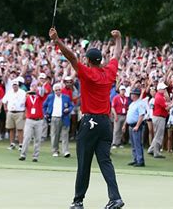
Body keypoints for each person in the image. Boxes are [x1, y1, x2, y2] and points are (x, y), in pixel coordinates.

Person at [50, 28, 124, 209]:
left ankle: (78, 201)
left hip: (90, 122)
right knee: (105, 161)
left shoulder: (88, 73)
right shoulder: (109, 72)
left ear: (89, 61)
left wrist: (57, 40)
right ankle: (115, 198)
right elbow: (117, 54)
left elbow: (72, 58)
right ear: (100, 61)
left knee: (84, 163)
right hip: (105, 123)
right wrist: (119, 38)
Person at [43, 83, 73, 158]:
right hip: (54, 117)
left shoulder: (66, 97)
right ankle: (55, 150)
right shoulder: (50, 97)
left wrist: (68, 109)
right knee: (55, 135)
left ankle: (65, 151)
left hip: (64, 117)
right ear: (54, 91)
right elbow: (44, 106)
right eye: (56, 90)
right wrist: (45, 113)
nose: (58, 91)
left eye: (59, 90)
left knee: (65, 135)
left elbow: (71, 105)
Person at [19, 82, 45, 162]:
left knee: (37, 139)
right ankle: (23, 154)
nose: (34, 88)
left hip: (39, 120)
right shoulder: (27, 97)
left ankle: (35, 156)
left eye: (35, 86)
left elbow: (42, 92)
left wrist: (40, 85)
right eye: (32, 86)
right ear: (30, 87)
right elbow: (21, 104)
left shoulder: (39, 97)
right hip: (29, 120)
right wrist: (25, 95)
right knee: (26, 138)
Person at [123, 88, 146, 167]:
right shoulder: (132, 104)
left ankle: (140, 160)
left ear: (136, 95)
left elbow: (141, 115)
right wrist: (124, 124)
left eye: (132, 94)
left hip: (136, 125)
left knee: (137, 143)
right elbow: (128, 115)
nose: (131, 95)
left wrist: (137, 126)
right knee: (133, 144)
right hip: (131, 125)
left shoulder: (140, 103)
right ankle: (135, 159)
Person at [2, 79, 26, 150]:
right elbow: (4, 101)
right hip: (10, 112)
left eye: (16, 85)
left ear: (18, 85)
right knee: (11, 129)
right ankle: (12, 144)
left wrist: (25, 112)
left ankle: (21, 145)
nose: (15, 86)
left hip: (20, 112)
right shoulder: (9, 92)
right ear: (12, 86)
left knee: (20, 129)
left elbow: (26, 103)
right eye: (14, 85)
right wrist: (5, 108)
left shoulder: (23, 92)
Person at [148, 82, 171, 158]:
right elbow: (167, 107)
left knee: (157, 134)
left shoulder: (160, 95)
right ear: (159, 89)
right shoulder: (159, 97)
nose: (165, 90)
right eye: (163, 89)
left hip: (159, 117)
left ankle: (151, 149)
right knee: (159, 135)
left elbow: (167, 100)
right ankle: (156, 152)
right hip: (159, 117)